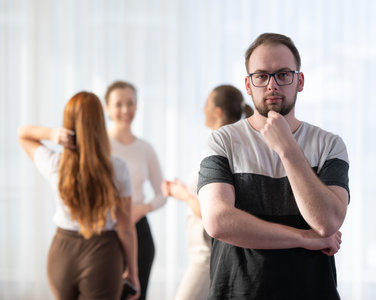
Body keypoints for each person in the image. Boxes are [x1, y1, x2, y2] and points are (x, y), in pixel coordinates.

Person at [197, 33, 349, 299]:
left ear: (299, 81)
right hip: (237, 293)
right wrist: (303, 237)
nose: (271, 85)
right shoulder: (222, 141)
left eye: (283, 75)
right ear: (248, 84)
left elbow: (327, 222)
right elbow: (218, 221)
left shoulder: (329, 145)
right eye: (261, 76)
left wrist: (288, 150)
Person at [17, 91, 140, 300]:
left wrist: (52, 134)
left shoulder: (55, 164)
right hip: (103, 254)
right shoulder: (117, 169)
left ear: (68, 125)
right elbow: (125, 228)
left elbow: (23, 134)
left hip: (62, 254)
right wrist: (134, 274)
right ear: (100, 125)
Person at [162, 85, 253, 300]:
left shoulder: (227, 150)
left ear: (218, 112)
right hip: (201, 254)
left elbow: (216, 212)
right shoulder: (218, 146)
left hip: (208, 256)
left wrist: (183, 194)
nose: (202, 109)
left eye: (206, 104)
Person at [105, 80, 167, 300]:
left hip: (139, 232)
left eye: (130, 103)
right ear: (107, 108)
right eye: (119, 104)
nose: (125, 110)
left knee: (136, 295)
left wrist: (142, 209)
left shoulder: (144, 148)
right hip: (107, 232)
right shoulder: (100, 146)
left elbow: (162, 193)